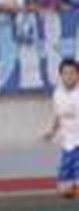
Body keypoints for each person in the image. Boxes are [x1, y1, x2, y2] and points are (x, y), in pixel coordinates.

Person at [42, 58, 79, 198]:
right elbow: (58, 116)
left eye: (72, 73)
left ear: (78, 75)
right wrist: (52, 132)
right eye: (65, 73)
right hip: (67, 146)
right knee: (63, 190)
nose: (69, 76)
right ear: (61, 75)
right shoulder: (57, 94)